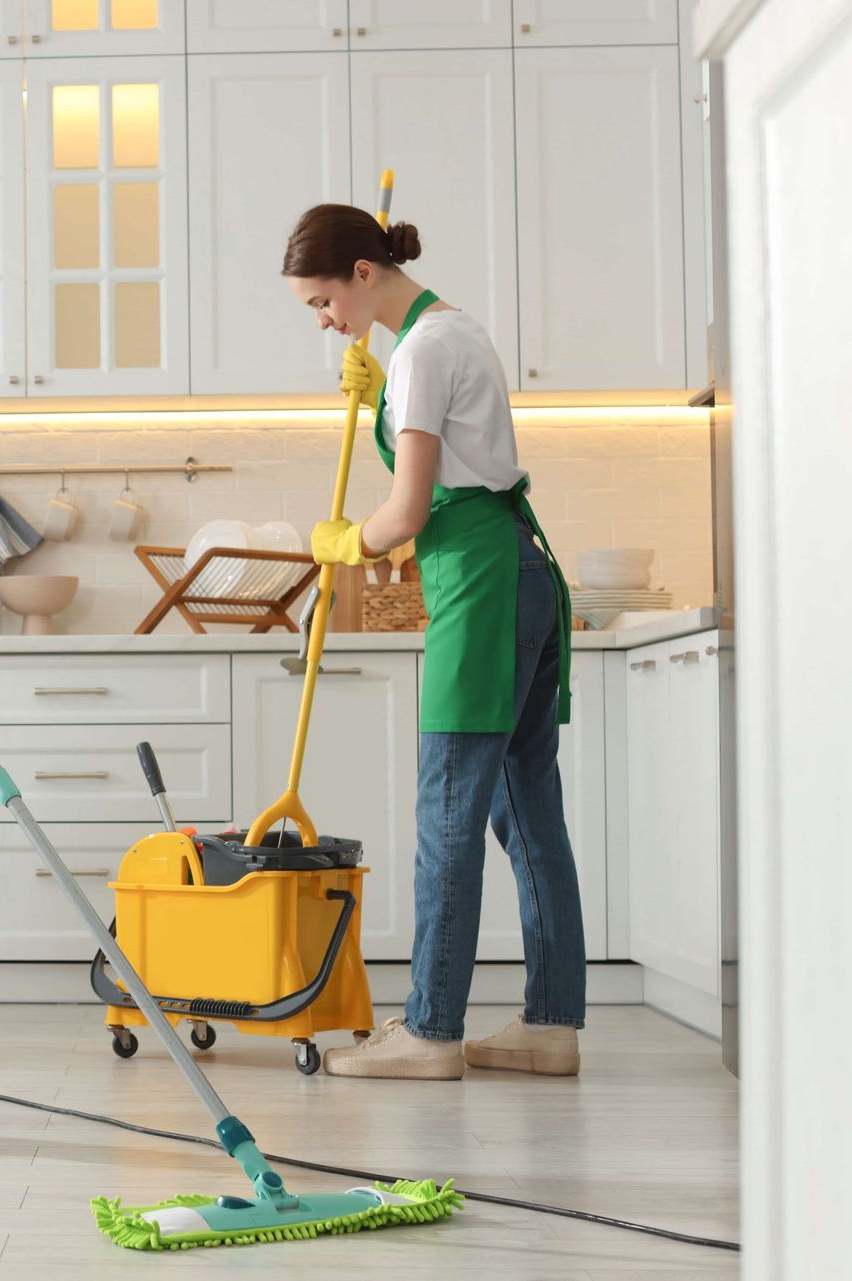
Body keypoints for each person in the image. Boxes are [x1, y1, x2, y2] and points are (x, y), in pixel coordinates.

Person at [281, 205, 586, 1079]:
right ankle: (553, 1022)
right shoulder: (449, 332)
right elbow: (459, 455)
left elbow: (408, 511)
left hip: (482, 583)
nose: (324, 319)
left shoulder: (421, 349)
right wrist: (380, 393)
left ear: (362, 274)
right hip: (518, 572)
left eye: (321, 300)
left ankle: (430, 1029)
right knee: (528, 810)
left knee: (448, 811)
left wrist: (344, 543)